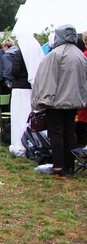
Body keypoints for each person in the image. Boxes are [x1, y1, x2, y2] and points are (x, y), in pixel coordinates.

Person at [32, 25, 87, 176]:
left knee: (56, 133)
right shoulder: (80, 55)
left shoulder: (55, 54)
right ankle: (69, 165)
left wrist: (41, 100)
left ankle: (58, 166)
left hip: (56, 102)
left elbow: (46, 80)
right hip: (74, 101)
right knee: (70, 132)